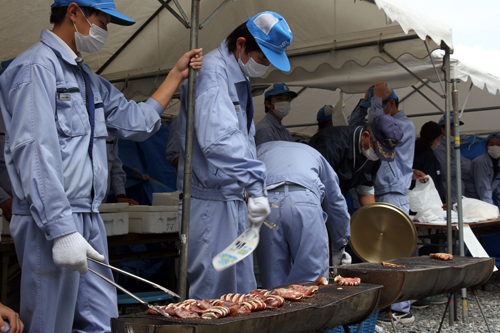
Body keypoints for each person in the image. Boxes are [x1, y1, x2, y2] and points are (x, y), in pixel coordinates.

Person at [0, 1, 203, 331]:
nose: (105, 31)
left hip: (89, 215)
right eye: (102, 21)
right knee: (50, 322)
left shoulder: (86, 79)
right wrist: (61, 228)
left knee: (101, 320)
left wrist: (175, 75)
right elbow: (34, 152)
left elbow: (133, 122)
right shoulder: (35, 67)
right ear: (74, 12)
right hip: (48, 217)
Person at [176, 11, 293, 300]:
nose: (264, 67)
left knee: (240, 295)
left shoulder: (235, 76)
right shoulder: (213, 73)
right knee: (213, 296)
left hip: (231, 200)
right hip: (210, 205)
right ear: (241, 45)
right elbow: (219, 141)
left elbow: (240, 140)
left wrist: (251, 190)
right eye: (263, 59)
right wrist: (255, 184)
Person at [349, 82, 423, 324]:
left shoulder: (403, 125)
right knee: (378, 254)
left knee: (395, 254)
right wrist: (364, 102)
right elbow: (357, 129)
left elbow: (379, 127)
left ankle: (400, 310)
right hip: (379, 191)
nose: (376, 109)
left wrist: (377, 101)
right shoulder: (384, 119)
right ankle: (387, 305)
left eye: (380, 104)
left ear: (391, 104)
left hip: (392, 193)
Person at [255, 141, 350, 289]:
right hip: (304, 201)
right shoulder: (314, 154)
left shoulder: (258, 150)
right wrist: (340, 245)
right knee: (311, 281)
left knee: (273, 285)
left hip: (267, 203)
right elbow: (336, 204)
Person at [433, 114, 475, 203]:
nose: (455, 131)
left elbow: (467, 167)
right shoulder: (438, 147)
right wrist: (459, 165)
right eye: (452, 128)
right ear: (442, 129)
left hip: (457, 190)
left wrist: (457, 164)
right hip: (448, 192)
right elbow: (446, 171)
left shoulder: (452, 146)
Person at [412, 121, 445, 201]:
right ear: (439, 138)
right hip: (427, 202)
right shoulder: (429, 157)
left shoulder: (412, 152)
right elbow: (433, 182)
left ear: (420, 133)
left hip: (413, 198)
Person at [104, 135, 138, 205]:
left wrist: (120, 195)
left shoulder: (110, 132)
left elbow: (114, 166)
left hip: (99, 202)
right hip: (77, 200)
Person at [471, 133, 500, 205]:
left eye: (498, 144)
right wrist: (490, 210)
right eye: (492, 144)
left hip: (483, 198)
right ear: (486, 148)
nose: (495, 146)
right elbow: (484, 189)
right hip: (473, 199)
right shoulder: (480, 162)